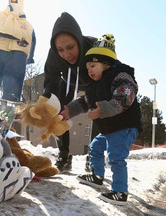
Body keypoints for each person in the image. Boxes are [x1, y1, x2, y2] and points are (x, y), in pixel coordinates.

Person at [60, 33, 142, 205]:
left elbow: (125, 97)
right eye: (88, 66)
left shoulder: (120, 75)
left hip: (124, 126)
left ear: (105, 64)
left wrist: (102, 109)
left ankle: (120, 192)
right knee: (95, 146)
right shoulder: (96, 85)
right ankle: (97, 176)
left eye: (93, 65)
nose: (89, 70)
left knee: (115, 157)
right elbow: (85, 102)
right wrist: (69, 111)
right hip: (110, 129)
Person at [43, 12, 97, 171]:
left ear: (79, 41)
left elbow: (106, 85)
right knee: (56, 109)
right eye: (60, 49)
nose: (66, 54)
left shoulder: (94, 47)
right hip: (68, 81)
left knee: (98, 108)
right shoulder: (54, 55)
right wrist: (46, 104)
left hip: (94, 81)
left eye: (70, 47)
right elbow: (50, 84)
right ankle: (64, 155)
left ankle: (94, 157)